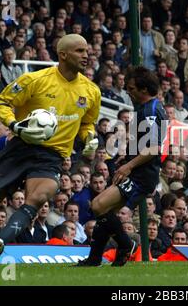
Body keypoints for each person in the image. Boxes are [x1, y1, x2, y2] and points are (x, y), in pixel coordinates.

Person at [0, 34, 101, 270]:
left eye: (86, 50)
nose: (86, 55)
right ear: (63, 54)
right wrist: (14, 125)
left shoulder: (91, 91)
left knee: (39, 197)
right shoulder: (35, 80)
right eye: (80, 50)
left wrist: (89, 137)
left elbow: (87, 123)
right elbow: (1, 103)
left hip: (52, 156)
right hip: (20, 148)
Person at [76, 66, 166, 267]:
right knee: (105, 213)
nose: (128, 91)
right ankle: (94, 259)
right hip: (138, 170)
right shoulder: (145, 108)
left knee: (98, 205)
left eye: (132, 87)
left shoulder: (152, 110)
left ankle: (125, 245)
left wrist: (128, 167)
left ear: (144, 89)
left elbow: (154, 148)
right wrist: (127, 160)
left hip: (142, 175)